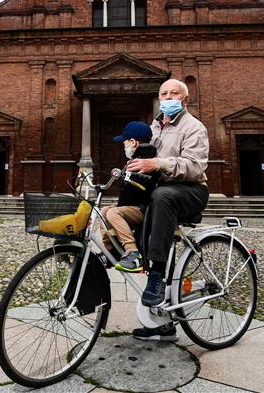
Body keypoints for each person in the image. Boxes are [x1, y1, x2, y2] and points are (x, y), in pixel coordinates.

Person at [127, 79, 209, 341]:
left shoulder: (194, 127)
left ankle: (157, 273)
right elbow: (148, 159)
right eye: (164, 93)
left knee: (161, 197)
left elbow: (195, 167)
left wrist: (158, 163)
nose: (168, 97)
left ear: (185, 98)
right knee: (129, 202)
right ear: (159, 98)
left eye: (174, 93)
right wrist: (133, 157)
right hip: (163, 192)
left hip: (190, 190)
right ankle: (163, 324)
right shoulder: (154, 126)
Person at [101, 121, 158, 273]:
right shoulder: (136, 161)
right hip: (134, 207)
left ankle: (133, 253)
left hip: (143, 209)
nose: (123, 145)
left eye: (125, 141)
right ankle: (109, 252)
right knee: (104, 211)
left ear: (133, 142)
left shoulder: (144, 162)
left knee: (113, 212)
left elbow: (137, 191)